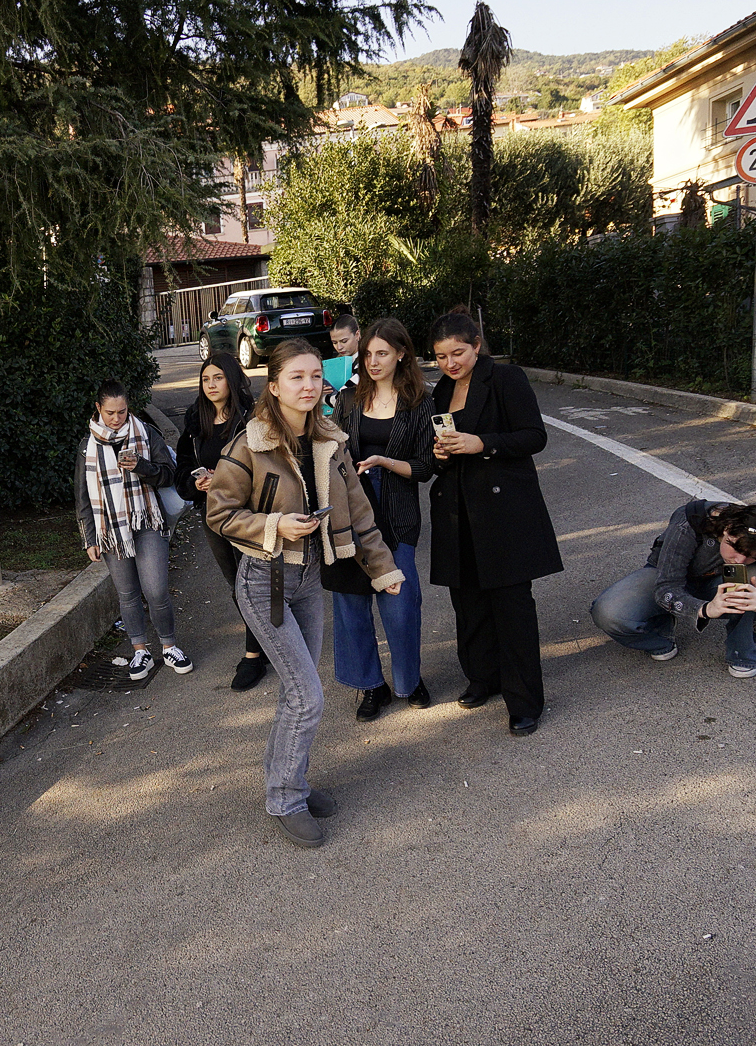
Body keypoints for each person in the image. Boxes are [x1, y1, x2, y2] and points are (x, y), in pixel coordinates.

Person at [208, 338, 404, 849]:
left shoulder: (331, 439)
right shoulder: (248, 444)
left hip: (309, 581)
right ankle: (285, 798)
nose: (309, 385)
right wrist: (276, 524)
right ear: (273, 386)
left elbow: (359, 513)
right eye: (296, 377)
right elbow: (219, 514)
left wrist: (382, 569)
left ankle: (287, 778)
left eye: (316, 376)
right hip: (263, 582)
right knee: (307, 696)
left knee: (297, 693)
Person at [427, 311, 563, 736]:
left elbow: (533, 436)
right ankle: (482, 678)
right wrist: (441, 454)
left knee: (512, 606)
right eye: (440, 356)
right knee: (467, 602)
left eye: (458, 353)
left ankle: (524, 700)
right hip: (456, 510)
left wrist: (480, 443)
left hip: (504, 512)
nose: (450, 363)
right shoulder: (442, 390)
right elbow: (439, 446)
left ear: (477, 345)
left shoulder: (507, 379)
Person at [328, 318, 434, 721]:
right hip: (350, 516)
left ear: (401, 354)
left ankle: (410, 680)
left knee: (401, 604)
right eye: (368, 353)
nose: (373, 361)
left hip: (398, 515)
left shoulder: (420, 402)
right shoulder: (349, 399)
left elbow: (425, 467)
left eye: (382, 354)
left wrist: (386, 462)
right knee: (351, 604)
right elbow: (330, 450)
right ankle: (372, 686)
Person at [589, 501, 756, 677]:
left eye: (751, 556)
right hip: (669, 576)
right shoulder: (691, 520)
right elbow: (667, 585)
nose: (739, 559)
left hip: (720, 583)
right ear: (726, 528)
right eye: (734, 548)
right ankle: (660, 633)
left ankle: (742, 649)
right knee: (609, 612)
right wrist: (704, 609)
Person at [76, 379, 192, 681]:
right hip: (112, 529)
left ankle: (169, 646)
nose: (117, 419)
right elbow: (82, 496)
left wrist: (142, 466)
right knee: (127, 594)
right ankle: (140, 651)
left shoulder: (146, 433)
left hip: (147, 521)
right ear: (99, 409)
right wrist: (89, 537)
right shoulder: (87, 446)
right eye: (110, 412)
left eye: (122, 412)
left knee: (156, 590)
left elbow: (169, 475)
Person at [176, 354, 268, 690]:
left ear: (231, 379)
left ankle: (255, 654)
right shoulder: (194, 421)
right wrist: (195, 481)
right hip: (212, 513)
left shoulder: (252, 416)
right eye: (206, 379)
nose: (211, 385)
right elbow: (182, 467)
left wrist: (228, 478)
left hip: (249, 511)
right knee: (235, 582)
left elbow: (267, 462)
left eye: (218, 378)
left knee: (255, 577)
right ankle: (263, 642)